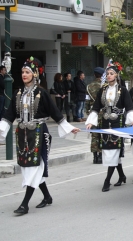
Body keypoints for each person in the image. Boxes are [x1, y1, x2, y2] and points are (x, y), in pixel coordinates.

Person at [0, 56, 80, 215]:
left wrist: (68, 127)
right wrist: (2, 128)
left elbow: (55, 112)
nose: (24, 75)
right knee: (28, 167)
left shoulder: (41, 93)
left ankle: (25, 204)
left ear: (35, 74)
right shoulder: (18, 93)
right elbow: (10, 114)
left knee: (35, 167)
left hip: (38, 133)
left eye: (27, 72)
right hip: (23, 135)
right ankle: (47, 196)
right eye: (22, 72)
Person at [85, 62, 133, 192]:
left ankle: (107, 180)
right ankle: (122, 176)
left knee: (114, 150)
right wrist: (91, 121)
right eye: (107, 74)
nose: (108, 76)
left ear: (116, 75)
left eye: (111, 73)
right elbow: (96, 107)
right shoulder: (103, 89)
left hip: (117, 123)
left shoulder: (122, 90)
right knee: (110, 151)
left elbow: (129, 107)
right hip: (105, 123)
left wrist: (131, 120)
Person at [85, 67, 104, 164]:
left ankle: (94, 156)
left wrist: (88, 112)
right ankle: (100, 155)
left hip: (93, 112)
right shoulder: (104, 86)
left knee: (94, 135)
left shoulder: (89, 86)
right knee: (101, 134)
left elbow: (87, 100)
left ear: (94, 75)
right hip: (103, 112)